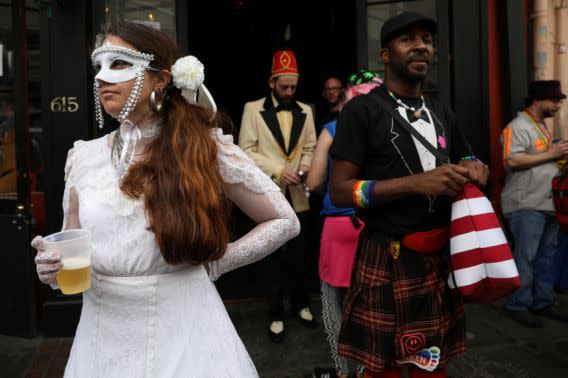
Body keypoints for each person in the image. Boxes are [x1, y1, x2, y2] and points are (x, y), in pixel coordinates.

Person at [31, 21, 300, 377]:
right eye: (98, 67)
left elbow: (284, 219)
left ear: (161, 78)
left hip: (185, 337)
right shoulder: (83, 157)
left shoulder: (202, 146)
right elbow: (72, 242)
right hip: (101, 342)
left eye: (119, 64)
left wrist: (220, 262)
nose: (101, 77)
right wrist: (52, 268)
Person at [329, 12, 489, 378]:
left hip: (437, 263)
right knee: (381, 369)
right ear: (385, 55)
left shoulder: (442, 111)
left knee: (431, 368)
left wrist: (477, 167)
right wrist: (418, 183)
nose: (421, 46)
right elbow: (340, 192)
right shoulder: (360, 111)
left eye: (427, 40)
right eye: (407, 40)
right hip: (387, 257)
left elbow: (467, 155)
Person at [238, 50, 318, 342]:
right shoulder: (252, 109)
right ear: (271, 83)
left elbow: (310, 147)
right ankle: (274, 312)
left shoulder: (306, 111)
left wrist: (306, 166)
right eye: (283, 86)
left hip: (298, 195)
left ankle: (300, 304)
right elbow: (245, 150)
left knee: (299, 255)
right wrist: (278, 170)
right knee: (271, 256)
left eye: (293, 87)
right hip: (267, 196)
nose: (288, 92)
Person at [308, 71, 381, 378]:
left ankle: (341, 370)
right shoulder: (387, 130)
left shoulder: (332, 129)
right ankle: (368, 369)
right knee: (371, 304)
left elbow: (313, 182)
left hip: (338, 226)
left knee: (334, 303)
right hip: (376, 226)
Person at [501, 80, 568, 328]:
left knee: (546, 256)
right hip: (525, 204)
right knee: (526, 256)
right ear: (538, 100)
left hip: (547, 204)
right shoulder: (517, 127)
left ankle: (542, 301)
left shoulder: (541, 127)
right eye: (554, 100)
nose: (558, 105)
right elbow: (511, 161)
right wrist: (551, 154)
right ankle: (517, 304)